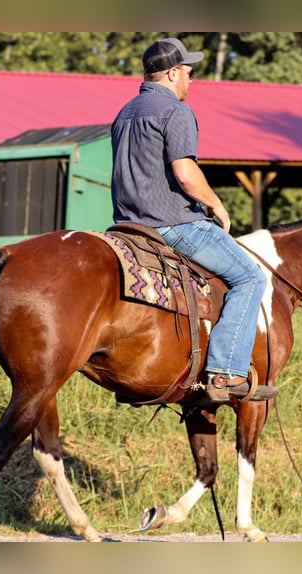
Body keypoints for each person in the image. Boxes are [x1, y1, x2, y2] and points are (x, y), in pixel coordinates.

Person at [111, 37, 277, 403]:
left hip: (126, 226)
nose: (191, 80)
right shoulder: (176, 112)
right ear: (172, 73)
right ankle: (226, 372)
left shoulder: (124, 112)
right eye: (188, 72)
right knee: (250, 276)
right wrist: (216, 204)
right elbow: (185, 173)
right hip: (172, 224)